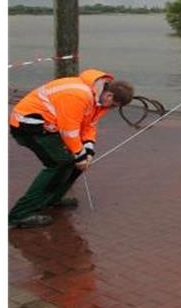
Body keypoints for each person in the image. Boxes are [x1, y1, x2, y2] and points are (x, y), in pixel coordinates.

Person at [9, 69, 134, 228]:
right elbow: (69, 130)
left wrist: (88, 151)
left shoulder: (98, 99)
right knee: (59, 163)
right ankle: (19, 215)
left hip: (50, 126)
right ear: (109, 96)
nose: (112, 109)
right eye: (114, 105)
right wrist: (80, 156)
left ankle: (52, 199)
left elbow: (89, 125)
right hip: (28, 126)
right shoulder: (78, 95)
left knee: (74, 163)